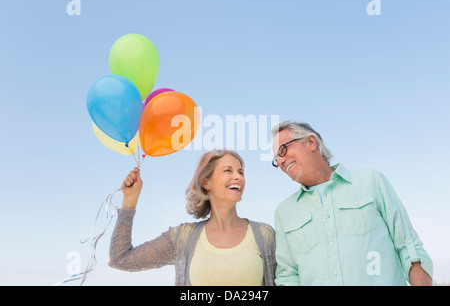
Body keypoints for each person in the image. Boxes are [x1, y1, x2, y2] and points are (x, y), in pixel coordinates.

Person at [271, 121, 433, 286]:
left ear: (311, 142)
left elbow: (409, 248)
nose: (281, 161)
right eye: (276, 159)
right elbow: (288, 277)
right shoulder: (284, 213)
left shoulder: (372, 182)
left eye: (283, 150)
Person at [109, 149, 276, 286]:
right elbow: (121, 259)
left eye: (241, 172)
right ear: (205, 183)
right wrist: (130, 200)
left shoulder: (264, 235)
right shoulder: (183, 237)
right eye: (228, 170)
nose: (238, 177)